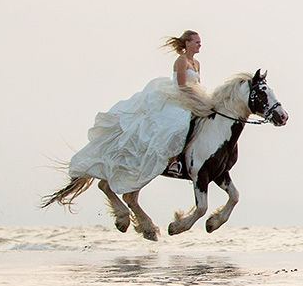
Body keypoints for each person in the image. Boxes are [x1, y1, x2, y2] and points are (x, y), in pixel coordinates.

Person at [67, 30, 205, 193]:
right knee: (179, 124)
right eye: (196, 42)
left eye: (200, 43)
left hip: (192, 98)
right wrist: (196, 99)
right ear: (187, 43)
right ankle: (174, 162)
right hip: (179, 98)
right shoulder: (182, 61)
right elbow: (182, 86)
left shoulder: (196, 63)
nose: (199, 45)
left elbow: (198, 84)